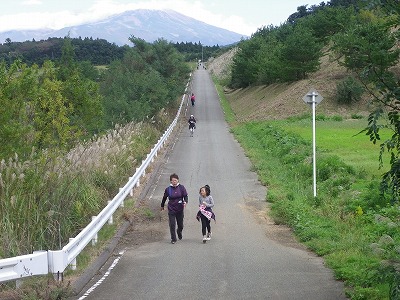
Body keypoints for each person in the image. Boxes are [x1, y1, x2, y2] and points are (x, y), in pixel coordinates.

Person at [161, 173, 188, 244]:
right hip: (171, 208)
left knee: (180, 225)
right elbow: (164, 198)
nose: (174, 182)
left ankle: (179, 231)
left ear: (178, 180)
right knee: (172, 224)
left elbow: (185, 196)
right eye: (173, 180)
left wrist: (185, 202)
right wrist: (162, 206)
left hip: (179, 208)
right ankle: (173, 238)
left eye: (175, 180)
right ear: (170, 181)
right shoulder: (168, 189)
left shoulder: (181, 188)